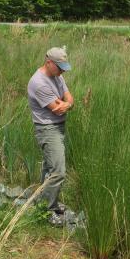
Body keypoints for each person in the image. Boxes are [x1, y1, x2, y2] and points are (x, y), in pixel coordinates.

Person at [27, 47, 74, 223]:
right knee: (58, 171)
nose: (62, 71)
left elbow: (69, 99)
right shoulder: (38, 82)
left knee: (49, 168)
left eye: (63, 67)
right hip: (48, 129)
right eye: (59, 67)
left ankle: (44, 204)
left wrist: (67, 104)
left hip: (58, 127)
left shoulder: (57, 76)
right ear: (49, 62)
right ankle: (48, 210)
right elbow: (57, 110)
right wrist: (65, 104)